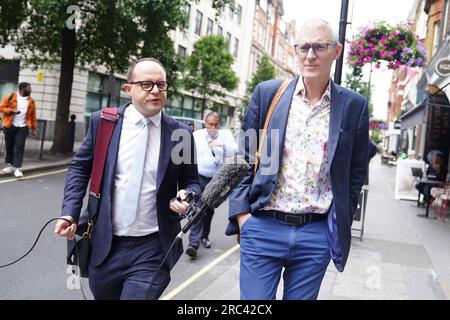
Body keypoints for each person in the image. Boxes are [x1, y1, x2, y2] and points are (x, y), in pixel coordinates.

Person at [226, 19, 369, 300]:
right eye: (304, 47)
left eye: (319, 46)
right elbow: (242, 158)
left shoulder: (354, 106)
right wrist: (243, 217)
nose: (310, 55)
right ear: (296, 50)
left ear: (336, 51)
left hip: (315, 236)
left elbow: (355, 172)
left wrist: (338, 222)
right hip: (263, 227)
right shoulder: (268, 94)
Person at [54, 57, 201, 300]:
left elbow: (192, 181)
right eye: (146, 84)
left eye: (161, 85)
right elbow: (80, 168)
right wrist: (69, 212)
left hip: (153, 248)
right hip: (105, 244)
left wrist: (187, 196)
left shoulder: (180, 133)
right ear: (128, 88)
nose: (155, 90)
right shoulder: (104, 122)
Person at [185, 112, 237, 260]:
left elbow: (235, 149)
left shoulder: (225, 135)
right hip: (198, 177)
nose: (212, 127)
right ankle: (193, 243)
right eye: (210, 124)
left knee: (209, 210)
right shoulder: (197, 135)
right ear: (205, 123)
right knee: (199, 207)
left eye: (215, 125)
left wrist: (221, 144)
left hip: (216, 180)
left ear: (219, 124)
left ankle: (204, 236)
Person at [0, 82, 37, 178]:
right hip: (10, 125)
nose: (31, 90)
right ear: (22, 89)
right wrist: (10, 111)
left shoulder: (31, 101)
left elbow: (33, 116)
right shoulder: (10, 97)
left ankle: (17, 168)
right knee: (9, 146)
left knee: (19, 146)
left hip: (23, 127)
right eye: (29, 88)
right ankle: (10, 165)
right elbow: (1, 108)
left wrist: (34, 128)